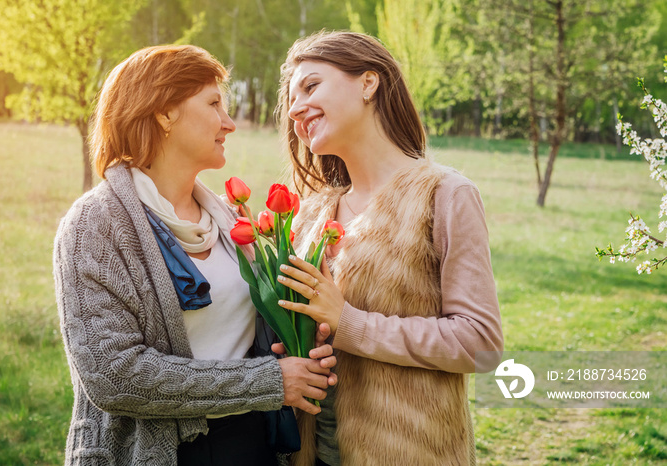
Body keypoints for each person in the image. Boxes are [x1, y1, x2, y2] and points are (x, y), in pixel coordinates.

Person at [53, 44, 336, 466]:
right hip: (153, 452)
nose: (229, 123)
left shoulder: (227, 218)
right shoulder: (94, 226)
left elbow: (243, 333)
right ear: (165, 113)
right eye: (214, 103)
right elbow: (113, 376)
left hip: (250, 445)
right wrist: (269, 380)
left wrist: (296, 341)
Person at [272, 31, 504, 465]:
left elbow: (481, 342)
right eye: (291, 99)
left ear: (368, 83)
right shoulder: (308, 215)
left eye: (311, 86)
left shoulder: (444, 194)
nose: (295, 108)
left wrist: (349, 323)